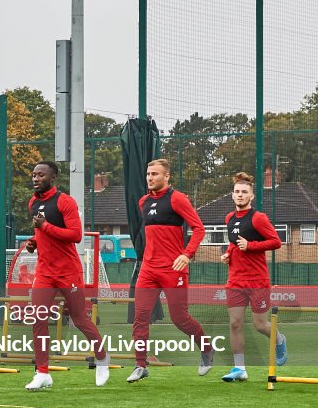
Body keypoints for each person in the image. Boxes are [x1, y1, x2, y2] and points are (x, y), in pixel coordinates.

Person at [23, 161, 110, 390]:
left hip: (68, 271)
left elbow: (76, 235)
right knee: (39, 319)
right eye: (33, 175)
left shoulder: (64, 201)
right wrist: (34, 241)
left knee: (80, 318)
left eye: (41, 175)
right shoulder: (33, 202)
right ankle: (42, 372)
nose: (35, 178)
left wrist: (45, 228)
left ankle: (102, 358)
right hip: (44, 272)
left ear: (53, 178)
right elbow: (40, 232)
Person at [127, 159, 213, 382]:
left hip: (173, 269)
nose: (150, 178)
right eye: (148, 174)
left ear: (167, 177)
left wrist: (187, 254)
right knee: (140, 317)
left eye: (155, 174)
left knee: (180, 318)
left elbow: (199, 229)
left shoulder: (177, 198)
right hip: (148, 269)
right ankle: (140, 364)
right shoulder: (143, 202)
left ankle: (207, 349)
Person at [220, 172, 286, 381]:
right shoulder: (229, 218)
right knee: (235, 323)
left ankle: (279, 339)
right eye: (237, 192)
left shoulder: (258, 218)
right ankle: (240, 369)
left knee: (260, 325)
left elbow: (276, 241)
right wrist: (228, 254)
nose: (240, 195)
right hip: (235, 281)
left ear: (251, 196)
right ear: (232, 195)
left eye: (244, 192)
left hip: (257, 280)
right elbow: (233, 242)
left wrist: (251, 246)